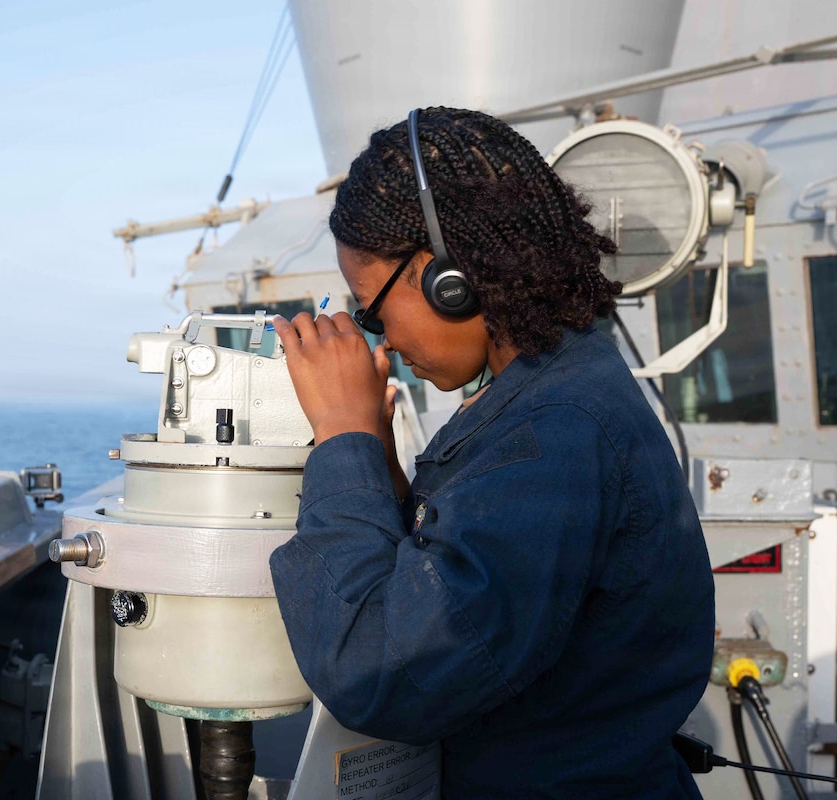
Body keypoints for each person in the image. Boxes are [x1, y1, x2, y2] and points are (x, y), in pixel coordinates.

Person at [268, 107, 715, 799]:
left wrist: (342, 436)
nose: (378, 337)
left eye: (371, 308)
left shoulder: (555, 436)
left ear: (448, 276)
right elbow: (460, 580)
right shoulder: (556, 394)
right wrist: (378, 469)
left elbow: (383, 675)